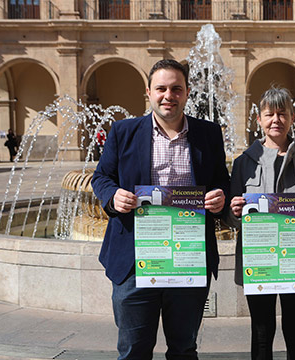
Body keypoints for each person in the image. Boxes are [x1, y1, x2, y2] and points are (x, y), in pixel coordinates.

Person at [91, 59, 230, 360]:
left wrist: (220, 199)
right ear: (149, 92)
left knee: (184, 349)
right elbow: (101, 176)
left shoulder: (208, 133)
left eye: (176, 89)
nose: (169, 95)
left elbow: (222, 181)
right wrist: (113, 196)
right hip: (135, 260)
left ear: (187, 92)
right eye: (162, 89)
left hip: (188, 259)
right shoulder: (123, 131)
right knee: (133, 351)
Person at [226, 86, 295, 360]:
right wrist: (235, 211)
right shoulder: (243, 163)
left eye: (282, 113)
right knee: (261, 331)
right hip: (259, 258)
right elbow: (231, 217)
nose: (276, 120)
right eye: (269, 114)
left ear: (291, 117)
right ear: (259, 120)